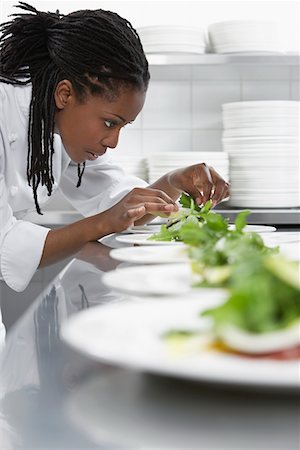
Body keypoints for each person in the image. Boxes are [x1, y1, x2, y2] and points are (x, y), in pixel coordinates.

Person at [0, 2, 229, 297]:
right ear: (65, 94)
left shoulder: (59, 123)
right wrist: (99, 224)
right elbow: (4, 245)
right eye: (110, 122)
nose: (113, 142)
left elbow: (119, 203)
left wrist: (175, 181)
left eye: (123, 126)